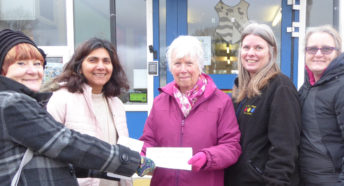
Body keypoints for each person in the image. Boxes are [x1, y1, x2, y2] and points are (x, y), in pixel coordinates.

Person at [0, 29, 154, 186]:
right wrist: (134, 161)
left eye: (37, 63)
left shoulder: (116, 103)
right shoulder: (11, 103)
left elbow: (60, 159)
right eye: (21, 63)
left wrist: (124, 169)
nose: (32, 70)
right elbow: (66, 143)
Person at [139, 35, 241, 186]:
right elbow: (149, 141)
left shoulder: (221, 102)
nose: (183, 70)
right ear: (170, 67)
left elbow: (231, 146)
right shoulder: (160, 102)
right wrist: (141, 155)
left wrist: (208, 157)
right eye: (177, 63)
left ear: (200, 66)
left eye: (189, 63)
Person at [47, 37, 131, 186]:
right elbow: (48, 152)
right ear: (79, 66)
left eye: (106, 61)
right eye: (93, 60)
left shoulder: (116, 103)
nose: (101, 66)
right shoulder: (61, 99)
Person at [225, 22, 301, 186]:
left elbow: (285, 147)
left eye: (258, 48)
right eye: (246, 48)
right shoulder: (241, 89)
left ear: (271, 52)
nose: (250, 53)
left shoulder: (280, 87)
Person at [299, 25, 344, 186]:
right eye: (312, 49)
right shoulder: (306, 87)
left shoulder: (341, 87)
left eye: (326, 49)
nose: (318, 54)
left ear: (337, 53)